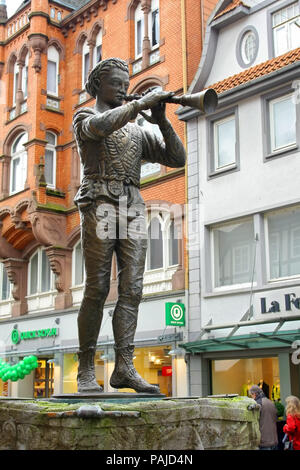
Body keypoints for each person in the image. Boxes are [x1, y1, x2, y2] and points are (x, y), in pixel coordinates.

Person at [72, 58, 186, 394]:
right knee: (97, 288)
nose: (123, 88)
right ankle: (84, 368)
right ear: (98, 86)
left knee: (133, 289)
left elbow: (177, 158)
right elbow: (102, 127)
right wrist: (138, 104)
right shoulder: (85, 116)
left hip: (133, 206)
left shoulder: (136, 129)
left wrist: (162, 120)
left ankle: (124, 367)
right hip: (99, 202)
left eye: (126, 82)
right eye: (117, 83)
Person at [250, 385, 278, 450]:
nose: (251, 398)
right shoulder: (270, 402)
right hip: (274, 440)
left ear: (254, 394)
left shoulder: (257, 403)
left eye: (251, 395)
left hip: (264, 441)